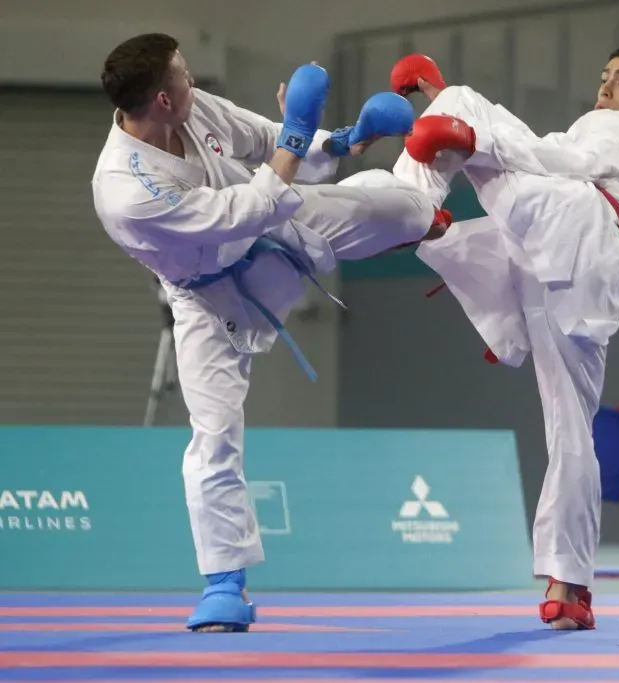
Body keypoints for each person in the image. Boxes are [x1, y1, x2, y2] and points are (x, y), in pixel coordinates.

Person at [92, 33, 449, 633]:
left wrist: (341, 135)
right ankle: (224, 584)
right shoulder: (126, 192)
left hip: (280, 225)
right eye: (182, 76)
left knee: (410, 212)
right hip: (209, 295)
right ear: (160, 99)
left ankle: (410, 205)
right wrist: (295, 131)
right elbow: (246, 209)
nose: (194, 82)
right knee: (214, 433)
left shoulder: (193, 106)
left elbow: (268, 143)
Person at [387, 46, 619, 630]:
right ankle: (569, 586)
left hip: (582, 229)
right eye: (603, 78)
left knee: (466, 109)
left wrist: (469, 138)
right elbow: (553, 157)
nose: (606, 89)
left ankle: (405, 205)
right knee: (571, 425)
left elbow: (561, 159)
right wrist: (470, 139)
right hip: (586, 272)